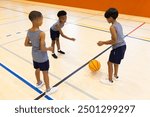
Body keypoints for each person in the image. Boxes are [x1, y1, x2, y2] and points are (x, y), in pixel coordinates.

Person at [24, 11, 57, 94]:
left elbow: (26, 44)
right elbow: (42, 49)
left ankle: (39, 83)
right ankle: (48, 89)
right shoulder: (41, 33)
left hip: (34, 56)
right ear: (37, 20)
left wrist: (35, 45)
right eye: (41, 19)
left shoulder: (29, 31)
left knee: (37, 69)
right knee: (45, 72)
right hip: (42, 58)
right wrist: (49, 48)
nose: (42, 21)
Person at [97, 8, 126, 85]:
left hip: (117, 48)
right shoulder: (118, 24)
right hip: (123, 46)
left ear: (111, 18)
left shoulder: (112, 27)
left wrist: (103, 42)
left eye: (107, 18)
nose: (106, 20)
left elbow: (114, 40)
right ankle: (115, 75)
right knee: (116, 62)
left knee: (109, 63)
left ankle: (110, 80)